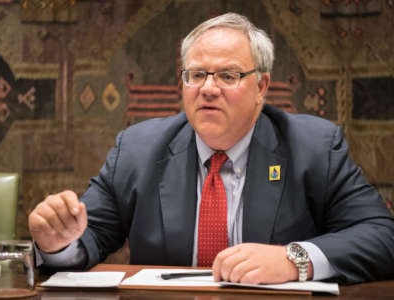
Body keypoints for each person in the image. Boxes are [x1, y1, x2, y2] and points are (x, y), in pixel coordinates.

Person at [28, 12, 394, 285]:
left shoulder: (314, 147)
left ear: (261, 86)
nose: (208, 88)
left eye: (228, 75)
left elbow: (381, 236)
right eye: (196, 74)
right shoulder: (138, 150)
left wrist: (294, 259)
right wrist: (57, 244)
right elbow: (87, 238)